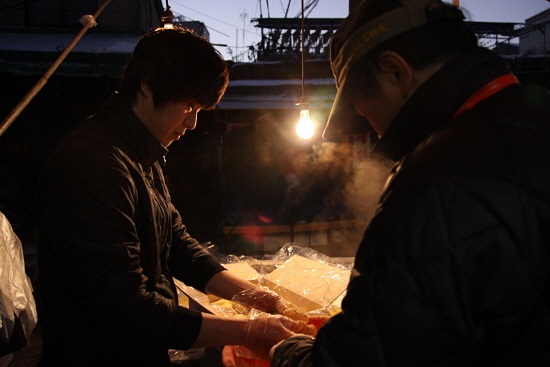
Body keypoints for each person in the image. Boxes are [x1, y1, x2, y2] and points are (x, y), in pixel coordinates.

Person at [269, 0, 550, 365]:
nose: (366, 120)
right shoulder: (537, 113)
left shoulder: (435, 180)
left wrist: (286, 351)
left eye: (360, 103)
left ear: (395, 71)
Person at [35, 27, 313, 367]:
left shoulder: (140, 154)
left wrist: (258, 297)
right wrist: (248, 332)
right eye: (189, 106)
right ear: (148, 85)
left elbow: (177, 244)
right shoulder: (94, 163)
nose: (193, 123)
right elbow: (125, 307)